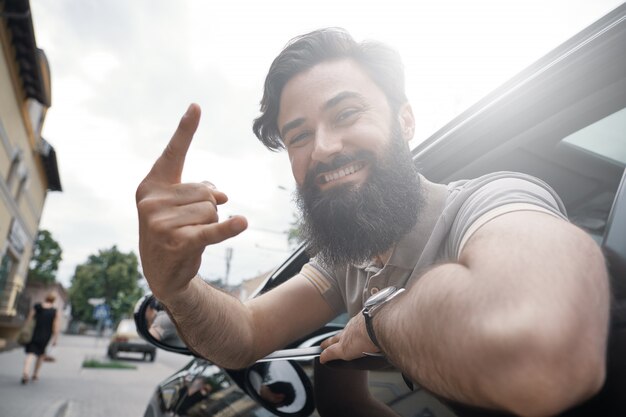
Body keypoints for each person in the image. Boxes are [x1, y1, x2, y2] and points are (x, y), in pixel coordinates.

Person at [135, 28, 610, 416]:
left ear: (404, 122)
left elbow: (546, 355)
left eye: (346, 113)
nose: (322, 148)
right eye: (298, 136)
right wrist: (175, 284)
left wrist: (377, 324)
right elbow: (244, 336)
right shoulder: (347, 261)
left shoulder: (490, 203)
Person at [21, 292, 60, 384]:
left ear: (46, 298)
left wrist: (25, 330)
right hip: (45, 335)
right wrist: (55, 339)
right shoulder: (54, 311)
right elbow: (56, 326)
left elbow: (29, 319)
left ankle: (25, 372)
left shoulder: (37, 306)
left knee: (30, 353)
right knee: (41, 355)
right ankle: (35, 374)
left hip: (34, 333)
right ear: (54, 300)